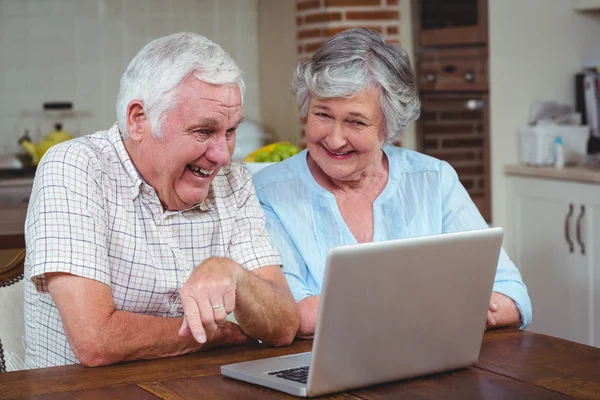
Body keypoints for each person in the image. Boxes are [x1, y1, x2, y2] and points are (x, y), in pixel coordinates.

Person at [23, 32, 299, 368]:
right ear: (139, 120)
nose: (223, 156)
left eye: (230, 131)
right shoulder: (75, 166)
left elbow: (284, 326)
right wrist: (221, 334)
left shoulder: (233, 181)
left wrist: (235, 275)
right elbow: (96, 340)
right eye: (203, 132)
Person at [253, 28, 531, 338]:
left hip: (432, 364)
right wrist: (441, 306)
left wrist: (386, 310)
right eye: (323, 115)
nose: (334, 138)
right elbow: (296, 314)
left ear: (390, 124)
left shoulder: (433, 180)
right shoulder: (269, 192)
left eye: (356, 121)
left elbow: (512, 297)